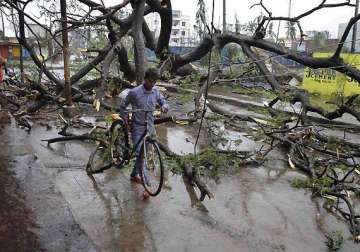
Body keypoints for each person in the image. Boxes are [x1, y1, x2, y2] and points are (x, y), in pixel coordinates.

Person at [120, 68, 169, 199]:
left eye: (154, 82)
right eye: (150, 81)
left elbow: (164, 102)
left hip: (150, 128)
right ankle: (148, 185)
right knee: (140, 156)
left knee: (144, 154)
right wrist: (125, 121)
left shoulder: (156, 92)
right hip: (137, 128)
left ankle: (134, 174)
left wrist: (164, 106)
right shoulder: (134, 92)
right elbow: (123, 107)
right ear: (144, 79)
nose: (152, 84)